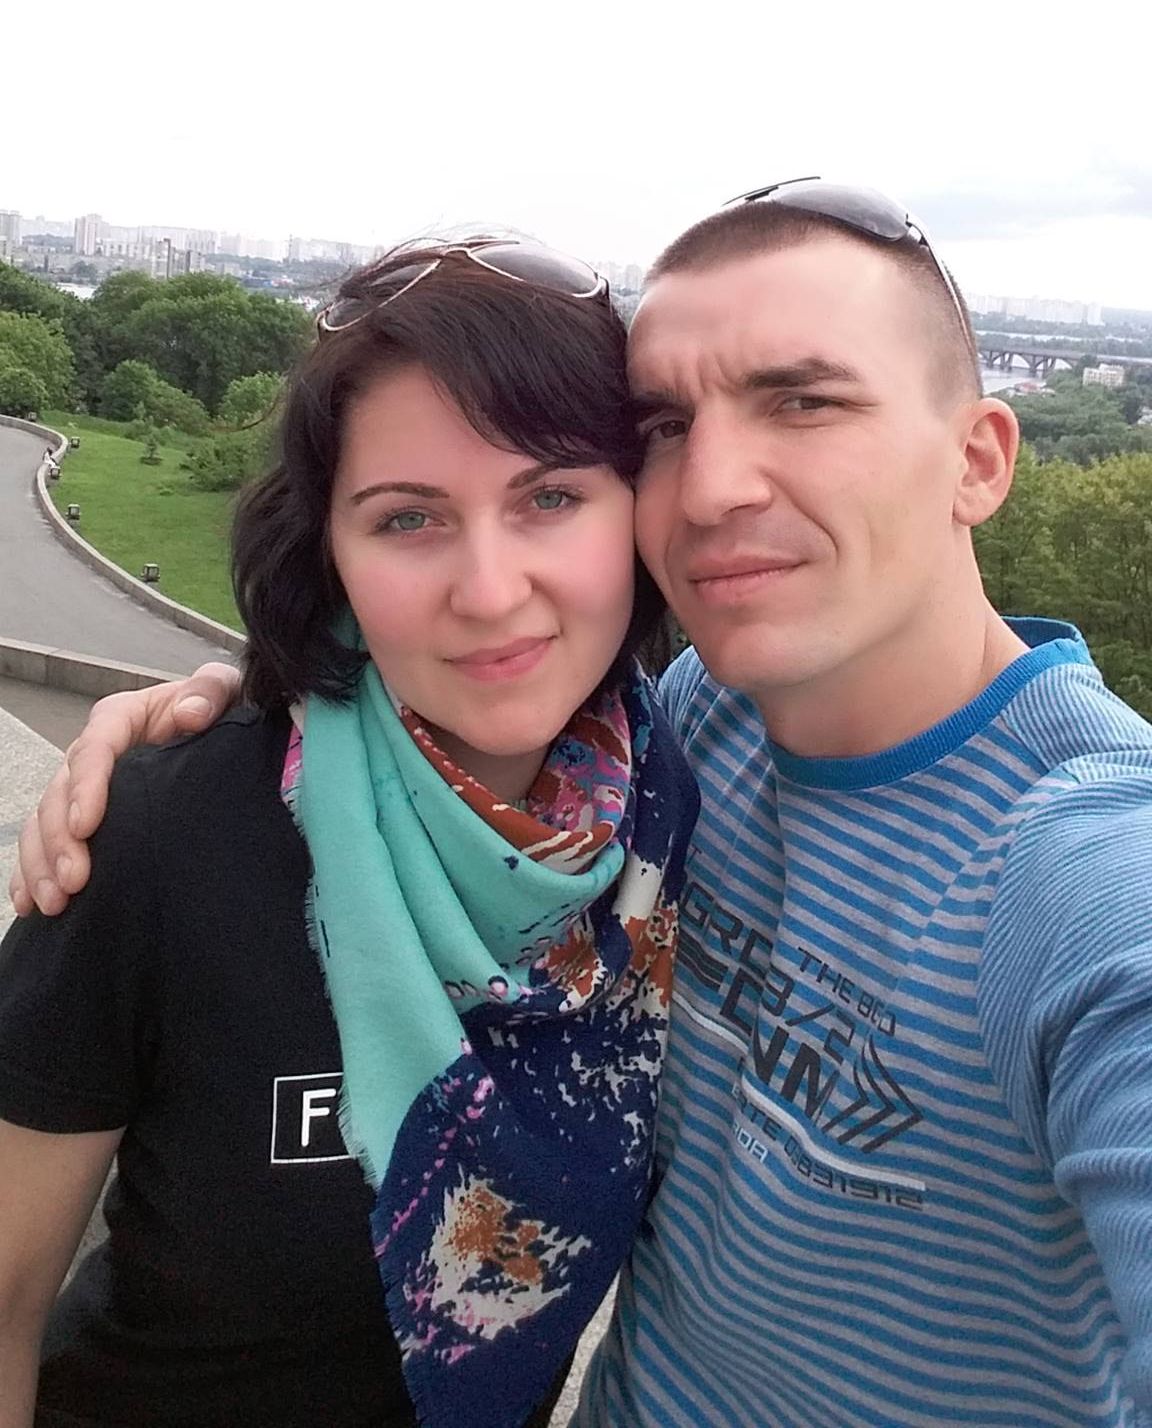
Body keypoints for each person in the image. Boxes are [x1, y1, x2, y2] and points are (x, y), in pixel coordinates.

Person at [12, 180, 1152, 1427]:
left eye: (804, 400)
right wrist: (224, 712)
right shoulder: (699, 737)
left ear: (978, 460)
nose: (711, 487)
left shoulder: (1084, 868)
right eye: (666, 425)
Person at [0, 238, 697, 1428]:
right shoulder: (165, 837)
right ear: (329, 547)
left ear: (637, 511)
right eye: (409, 518)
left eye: (551, 497)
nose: (491, 590)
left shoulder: (671, 814)